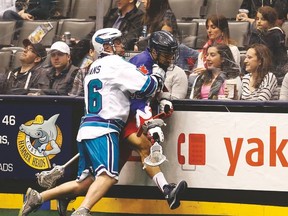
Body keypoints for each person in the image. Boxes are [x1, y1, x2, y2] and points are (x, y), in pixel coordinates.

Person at [18, 28, 163, 216]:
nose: (121, 46)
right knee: (108, 176)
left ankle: (39, 197)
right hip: (105, 128)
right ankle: (82, 211)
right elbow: (148, 87)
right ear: (106, 46)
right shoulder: (116, 64)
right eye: (116, 42)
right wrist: (158, 72)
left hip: (86, 128)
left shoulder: (93, 67)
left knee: (85, 182)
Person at [248, 6, 288, 86]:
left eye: (263, 19)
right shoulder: (257, 33)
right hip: (259, 69)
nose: (258, 22)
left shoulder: (276, 34)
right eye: (257, 19)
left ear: (270, 21)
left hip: (273, 71)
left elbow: (278, 58)